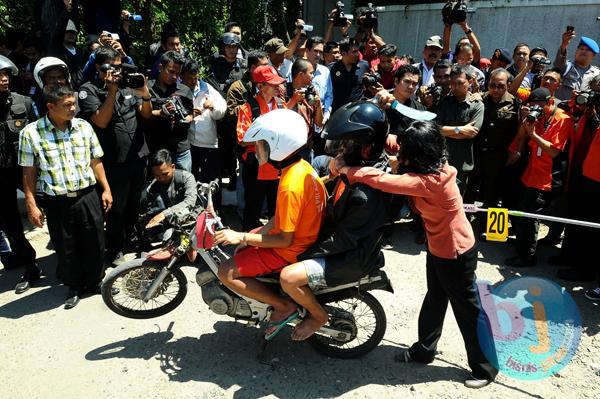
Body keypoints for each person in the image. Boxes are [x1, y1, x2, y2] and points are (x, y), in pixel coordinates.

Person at [333, 120, 498, 389]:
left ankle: (485, 368)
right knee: (435, 299)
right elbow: (396, 143)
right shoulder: (434, 162)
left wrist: (348, 169)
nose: (401, 152)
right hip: (439, 248)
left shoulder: (430, 181)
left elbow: (383, 181)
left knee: (468, 310)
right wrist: (376, 133)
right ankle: (424, 350)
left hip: (454, 252)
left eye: (407, 150)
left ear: (418, 154)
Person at [279, 100, 391, 340]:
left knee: (288, 276)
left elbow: (343, 239)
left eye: (346, 145)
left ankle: (319, 316)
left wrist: (305, 253)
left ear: (364, 146)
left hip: (350, 258)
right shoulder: (355, 172)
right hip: (342, 246)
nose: (340, 151)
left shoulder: (365, 193)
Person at [215, 109, 326, 339]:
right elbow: (281, 217)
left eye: (261, 144)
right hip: (302, 236)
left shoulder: (289, 185)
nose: (257, 150)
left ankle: (283, 306)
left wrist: (242, 236)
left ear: (277, 145)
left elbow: (285, 238)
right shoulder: (302, 168)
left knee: (226, 271)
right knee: (244, 244)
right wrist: (252, 234)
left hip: (290, 250)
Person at [18, 84, 112, 309]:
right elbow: (28, 172)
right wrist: (31, 204)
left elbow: (95, 160)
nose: (73, 108)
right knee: (66, 245)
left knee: (95, 240)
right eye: (67, 105)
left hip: (87, 194)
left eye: (74, 103)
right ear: (50, 106)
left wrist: (106, 188)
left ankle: (95, 281)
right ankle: (75, 286)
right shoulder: (31, 133)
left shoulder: (83, 127)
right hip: (57, 200)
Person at [78, 45, 152, 266]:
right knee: (116, 209)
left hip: (138, 156)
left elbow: (146, 116)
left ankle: (132, 240)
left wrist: (146, 94)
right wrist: (111, 90)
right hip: (113, 161)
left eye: (119, 67)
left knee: (136, 203)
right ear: (99, 69)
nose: (116, 73)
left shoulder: (129, 86)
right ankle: (115, 248)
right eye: (110, 69)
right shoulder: (88, 90)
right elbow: (101, 120)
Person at [504, 87, 574, 267]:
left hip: (548, 179)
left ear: (550, 102)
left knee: (527, 215)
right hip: (532, 174)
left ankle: (527, 256)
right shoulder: (538, 117)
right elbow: (520, 137)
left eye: (539, 107)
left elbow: (553, 151)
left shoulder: (562, 119)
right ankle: (523, 244)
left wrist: (533, 134)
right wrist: (526, 121)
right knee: (522, 213)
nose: (536, 110)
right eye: (532, 106)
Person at [0, 55, 40, 294]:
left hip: (27, 170)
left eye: (6, 75)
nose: (4, 79)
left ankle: (68, 261)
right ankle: (29, 265)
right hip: (0, 177)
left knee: (49, 209)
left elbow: (38, 134)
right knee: (11, 224)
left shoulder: (24, 103)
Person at [556, 75, 600, 284]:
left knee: (589, 225)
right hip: (581, 170)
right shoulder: (590, 109)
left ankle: (584, 269)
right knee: (574, 216)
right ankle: (568, 256)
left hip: (596, 179)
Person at [465, 68, 520, 237]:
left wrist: (516, 151)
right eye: (492, 85)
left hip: (498, 156)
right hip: (476, 153)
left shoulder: (515, 104)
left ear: (508, 85)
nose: (495, 89)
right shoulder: (479, 99)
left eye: (500, 86)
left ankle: (494, 232)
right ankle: (463, 225)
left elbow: (519, 131)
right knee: (469, 191)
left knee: (494, 193)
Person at [236, 65, 286, 231]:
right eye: (273, 84)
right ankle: (247, 246)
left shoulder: (281, 105)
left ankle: (273, 244)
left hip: (277, 165)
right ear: (261, 87)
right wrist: (269, 137)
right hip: (256, 167)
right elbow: (242, 139)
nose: (278, 87)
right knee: (252, 210)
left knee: (276, 210)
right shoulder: (248, 107)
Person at [182, 59, 226, 209]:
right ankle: (193, 210)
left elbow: (222, 110)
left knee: (212, 180)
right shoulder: (178, 89)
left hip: (208, 142)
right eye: (189, 78)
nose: (193, 81)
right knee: (191, 179)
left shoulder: (206, 88)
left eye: (195, 77)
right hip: (187, 143)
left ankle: (215, 211)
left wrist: (213, 107)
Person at [435, 65, 484, 195]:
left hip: (462, 161)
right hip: (441, 158)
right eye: (452, 83)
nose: (455, 87)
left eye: (460, 83)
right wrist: (459, 129)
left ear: (470, 82)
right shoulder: (445, 102)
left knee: (455, 195)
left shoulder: (477, 105)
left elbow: (471, 133)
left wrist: (447, 132)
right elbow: (436, 129)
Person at [146, 50, 194, 171]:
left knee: (184, 185)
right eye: (171, 71)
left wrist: (185, 119)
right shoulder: (147, 89)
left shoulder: (185, 90)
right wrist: (161, 112)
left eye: (178, 73)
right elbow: (142, 113)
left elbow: (190, 113)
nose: (174, 76)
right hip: (156, 149)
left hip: (180, 149)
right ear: (161, 67)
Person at [144, 149, 198, 229]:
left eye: (165, 174)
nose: (161, 178)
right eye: (157, 176)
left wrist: (164, 214)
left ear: (173, 167)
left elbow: (190, 202)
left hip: (190, 220)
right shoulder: (153, 186)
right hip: (169, 223)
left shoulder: (186, 178)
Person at [286, 58, 324, 163]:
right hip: (288, 148)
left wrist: (318, 104)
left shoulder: (312, 92)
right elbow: (278, 116)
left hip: (306, 147)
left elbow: (319, 123)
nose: (313, 76)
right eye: (311, 73)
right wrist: (293, 100)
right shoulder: (284, 91)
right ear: (301, 74)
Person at [553, 30, 600, 101]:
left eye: (587, 50)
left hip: (583, 111)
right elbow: (559, 62)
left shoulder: (597, 73)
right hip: (561, 109)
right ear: (576, 51)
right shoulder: (566, 66)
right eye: (581, 48)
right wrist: (564, 44)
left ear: (593, 55)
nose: (583, 51)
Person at [329, 38, 370, 112]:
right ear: (343, 53)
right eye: (354, 52)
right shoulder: (331, 69)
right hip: (337, 112)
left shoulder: (364, 66)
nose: (357, 54)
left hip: (357, 112)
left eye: (358, 51)